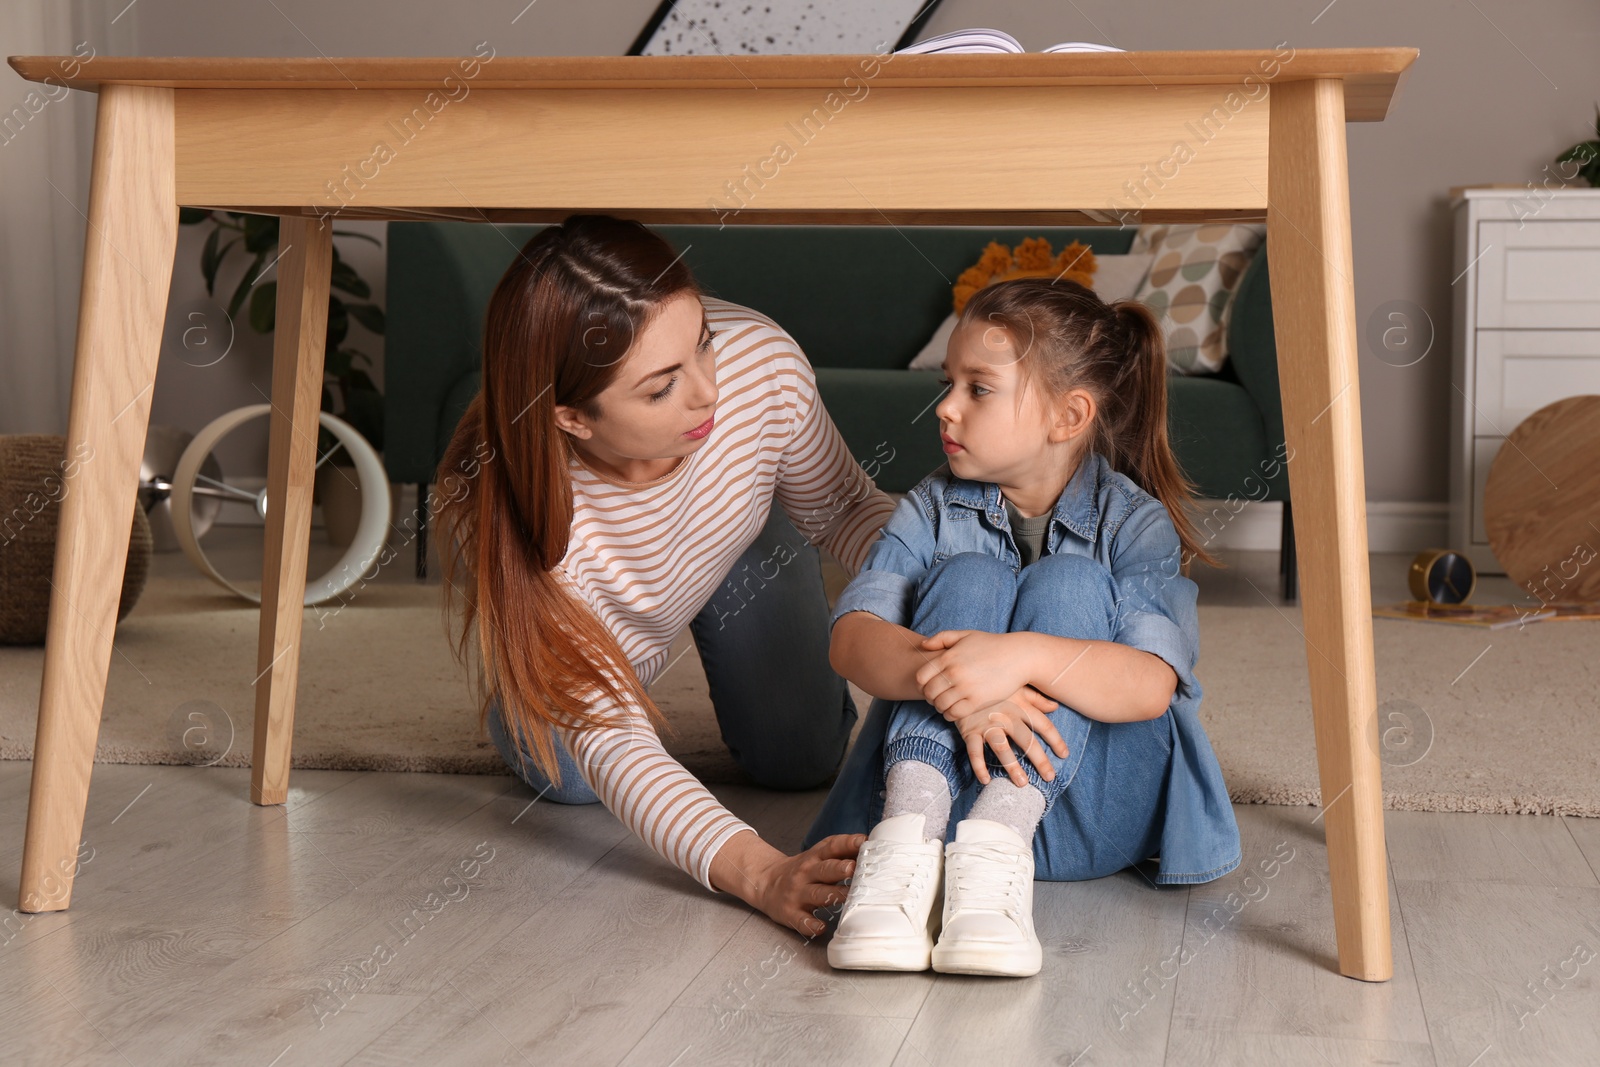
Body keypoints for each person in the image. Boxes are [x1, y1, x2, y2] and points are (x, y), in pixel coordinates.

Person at [432, 214, 892, 935]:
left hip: (738, 539)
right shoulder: (528, 517)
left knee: (801, 758)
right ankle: (520, 694)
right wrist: (761, 871)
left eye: (702, 342)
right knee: (578, 779)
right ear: (572, 419)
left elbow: (843, 509)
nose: (709, 392)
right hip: (601, 661)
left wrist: (955, 566)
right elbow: (614, 737)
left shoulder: (759, 364)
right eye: (659, 389)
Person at [816, 276, 1242, 977]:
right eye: (949, 382)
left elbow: (1150, 687)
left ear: (1068, 416)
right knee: (970, 576)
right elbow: (850, 639)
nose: (945, 407)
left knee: (1069, 583)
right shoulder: (931, 505)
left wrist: (1017, 659)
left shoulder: (1134, 523)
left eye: (977, 388)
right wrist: (966, 683)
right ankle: (902, 855)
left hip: (1091, 817)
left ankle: (1000, 842)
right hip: (938, 818)